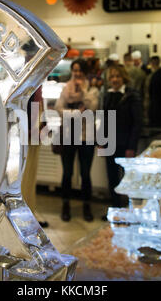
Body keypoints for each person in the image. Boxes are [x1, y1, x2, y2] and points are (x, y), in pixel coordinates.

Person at [55, 59, 99, 222]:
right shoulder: (66, 88)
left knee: (85, 174)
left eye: (80, 70)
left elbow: (92, 107)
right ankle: (65, 206)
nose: (77, 74)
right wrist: (76, 112)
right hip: (68, 136)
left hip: (87, 137)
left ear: (85, 72)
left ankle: (86, 206)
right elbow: (59, 109)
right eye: (75, 70)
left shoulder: (92, 89)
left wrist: (83, 90)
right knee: (67, 173)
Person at [102, 64, 143, 213]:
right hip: (109, 143)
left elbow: (137, 123)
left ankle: (131, 210)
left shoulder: (132, 96)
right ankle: (116, 208)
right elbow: (104, 118)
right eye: (112, 76)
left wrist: (131, 147)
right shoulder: (107, 95)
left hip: (125, 144)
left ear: (123, 77)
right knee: (112, 178)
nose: (114, 79)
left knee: (128, 179)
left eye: (117, 76)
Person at [21, 86, 49, 228]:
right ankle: (26, 214)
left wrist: (43, 126)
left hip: (32, 135)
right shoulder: (30, 83)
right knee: (26, 175)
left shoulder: (36, 84)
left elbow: (39, 108)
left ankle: (29, 211)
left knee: (30, 176)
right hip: (28, 137)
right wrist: (32, 131)